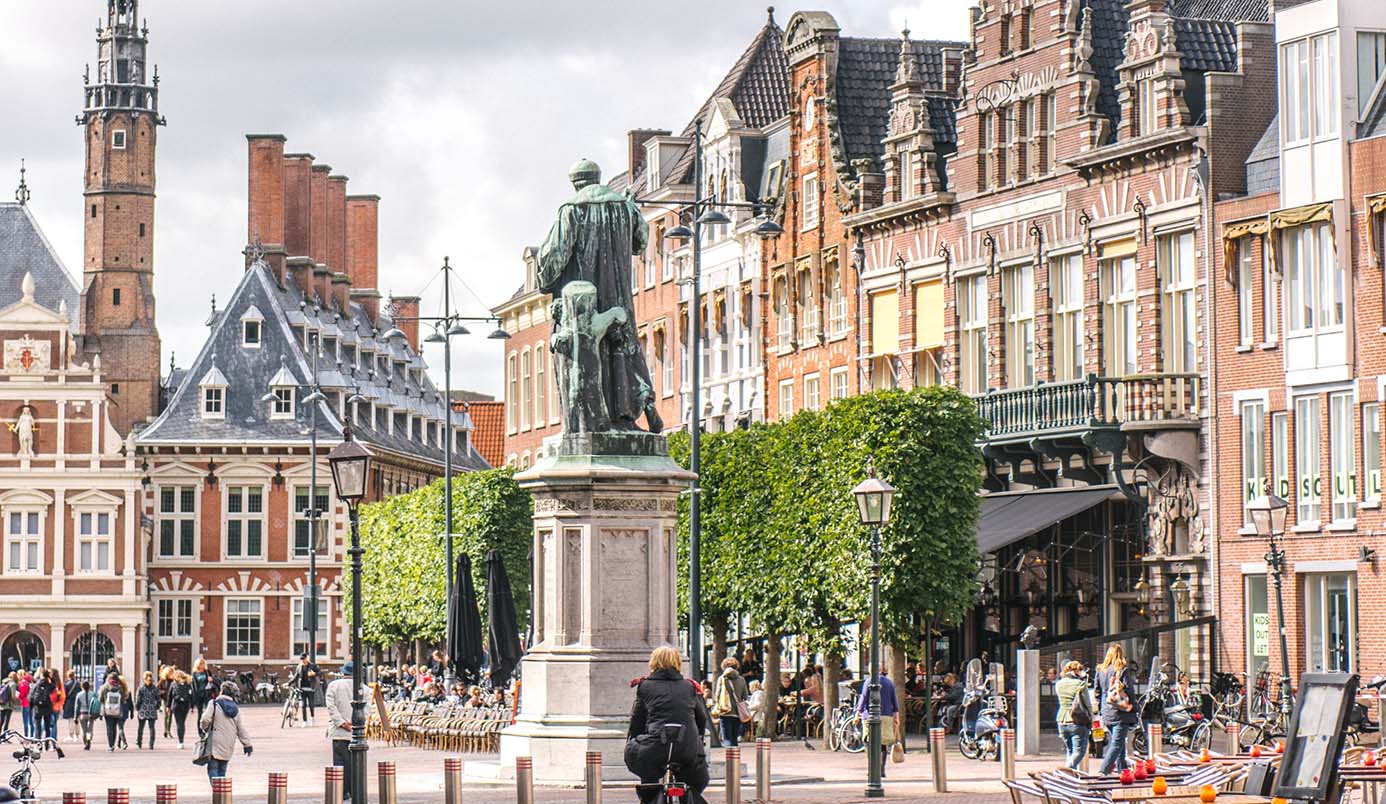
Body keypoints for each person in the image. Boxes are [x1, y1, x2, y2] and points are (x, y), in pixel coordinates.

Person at [625, 647, 709, 804]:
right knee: (697, 779)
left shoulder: (645, 686)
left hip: (655, 746)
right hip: (687, 747)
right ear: (677, 663)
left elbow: (637, 720)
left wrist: (633, 740)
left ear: (653, 662)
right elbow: (702, 718)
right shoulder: (689, 686)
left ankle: (649, 796)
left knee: (647, 772)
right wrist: (698, 740)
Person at [1094, 645, 1138, 774]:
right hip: (1121, 712)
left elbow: (1097, 692)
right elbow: (1129, 690)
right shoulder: (1122, 670)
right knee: (1117, 744)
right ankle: (1103, 771)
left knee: (1120, 743)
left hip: (1106, 712)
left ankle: (1123, 771)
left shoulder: (1101, 671)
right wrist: (1134, 707)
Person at [199, 681, 252, 781]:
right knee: (222, 770)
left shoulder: (214, 704)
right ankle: (222, 792)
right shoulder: (236, 709)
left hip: (215, 742)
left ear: (222, 691)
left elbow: (205, 719)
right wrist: (247, 744)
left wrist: (204, 728)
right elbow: (241, 728)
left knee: (213, 768)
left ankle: (217, 791)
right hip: (228, 743)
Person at [855, 667, 901, 779]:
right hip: (886, 715)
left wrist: (858, 713)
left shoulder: (869, 681)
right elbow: (894, 701)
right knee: (883, 742)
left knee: (868, 741)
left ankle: (872, 768)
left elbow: (864, 698)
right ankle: (881, 769)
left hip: (869, 715)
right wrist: (897, 717)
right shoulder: (889, 682)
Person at [325, 661, 356, 801]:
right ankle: (354, 789)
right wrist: (354, 723)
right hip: (356, 731)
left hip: (338, 731)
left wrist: (342, 722)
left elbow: (331, 707)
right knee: (354, 762)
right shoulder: (364, 688)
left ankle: (342, 790)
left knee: (339, 762)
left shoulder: (333, 685)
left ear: (343, 672)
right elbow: (366, 709)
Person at [1054, 661, 1092, 770]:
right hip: (1077, 720)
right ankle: (1064, 772)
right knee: (1079, 752)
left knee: (1070, 751)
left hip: (1061, 720)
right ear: (1076, 671)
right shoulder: (1080, 684)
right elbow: (1087, 704)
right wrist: (1091, 719)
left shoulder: (1058, 684)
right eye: (1080, 670)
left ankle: (1070, 780)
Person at [710, 657, 750, 748]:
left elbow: (717, 695)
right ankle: (735, 760)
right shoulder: (741, 679)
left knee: (726, 737)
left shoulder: (722, 679)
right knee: (734, 738)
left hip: (725, 711)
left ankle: (729, 759)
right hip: (737, 712)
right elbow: (745, 696)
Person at [290, 654, 320, 727]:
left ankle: (312, 718)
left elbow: (320, 672)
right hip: (302, 689)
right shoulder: (299, 667)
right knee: (303, 705)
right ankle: (305, 721)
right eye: (301, 659)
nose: (302, 660)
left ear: (307, 658)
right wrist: (289, 683)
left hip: (311, 688)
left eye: (303, 659)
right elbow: (296, 676)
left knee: (311, 705)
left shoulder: (312, 666)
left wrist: (314, 673)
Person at [97, 672, 125, 752]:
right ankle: (113, 744)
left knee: (109, 728)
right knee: (114, 727)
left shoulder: (105, 687)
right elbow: (122, 700)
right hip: (117, 710)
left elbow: (100, 699)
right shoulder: (120, 688)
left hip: (107, 710)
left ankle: (110, 745)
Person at [135, 671, 161, 749]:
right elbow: (158, 699)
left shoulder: (141, 688)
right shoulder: (155, 688)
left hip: (143, 709)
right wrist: (156, 706)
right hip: (152, 709)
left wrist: (137, 707)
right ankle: (151, 744)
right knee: (152, 728)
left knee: (140, 727)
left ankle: (139, 742)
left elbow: (138, 700)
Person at [170, 671, 194, 748]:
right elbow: (191, 696)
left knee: (179, 723)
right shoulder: (188, 684)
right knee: (182, 723)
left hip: (177, 705)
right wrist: (192, 706)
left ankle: (180, 741)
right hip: (185, 705)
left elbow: (170, 695)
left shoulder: (174, 684)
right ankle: (181, 740)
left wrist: (168, 706)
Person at [29, 669, 54, 740]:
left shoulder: (36, 684)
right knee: (47, 727)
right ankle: (47, 743)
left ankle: (38, 742)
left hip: (37, 708)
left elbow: (31, 696)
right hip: (47, 707)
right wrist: (50, 678)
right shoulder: (50, 685)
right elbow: (55, 688)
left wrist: (31, 708)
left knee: (38, 726)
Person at [75, 680, 99, 750]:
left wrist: (75, 717)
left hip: (82, 714)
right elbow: (96, 704)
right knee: (90, 729)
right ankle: (89, 739)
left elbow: (77, 707)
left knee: (84, 730)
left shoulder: (79, 695)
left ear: (82, 686)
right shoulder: (93, 694)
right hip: (91, 714)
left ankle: (85, 742)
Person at [191, 658, 213, 727]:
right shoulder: (195, 673)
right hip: (198, 695)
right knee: (200, 713)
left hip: (207, 694)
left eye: (203, 663)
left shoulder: (207, 672)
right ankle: (200, 730)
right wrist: (193, 697)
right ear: (197, 665)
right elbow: (194, 686)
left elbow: (212, 681)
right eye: (200, 663)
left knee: (208, 712)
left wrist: (211, 680)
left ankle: (207, 728)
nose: (202, 665)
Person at [62, 670, 79, 743]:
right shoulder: (78, 684)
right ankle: (77, 735)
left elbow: (64, 695)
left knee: (71, 720)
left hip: (69, 703)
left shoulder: (66, 684)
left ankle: (71, 735)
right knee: (76, 719)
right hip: (77, 703)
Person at [17, 671, 31, 737]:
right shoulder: (30, 681)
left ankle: (26, 735)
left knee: (25, 721)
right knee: (31, 721)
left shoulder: (22, 683)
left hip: (25, 703)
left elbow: (22, 695)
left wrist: (18, 696)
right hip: (30, 703)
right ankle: (32, 735)